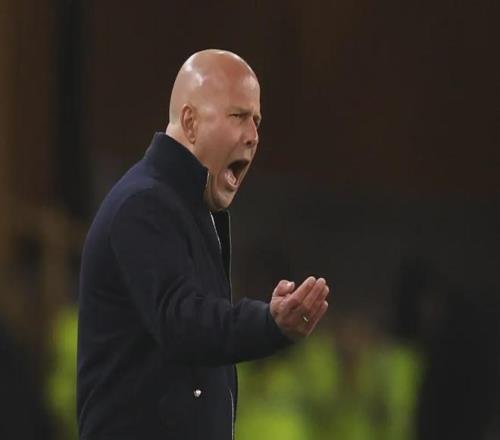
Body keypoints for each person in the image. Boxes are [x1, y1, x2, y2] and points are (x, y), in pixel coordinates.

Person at [77, 49, 330, 440]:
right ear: (190, 123)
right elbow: (181, 321)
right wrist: (267, 323)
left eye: (257, 120)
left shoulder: (189, 207)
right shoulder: (143, 205)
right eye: (238, 116)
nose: (253, 136)